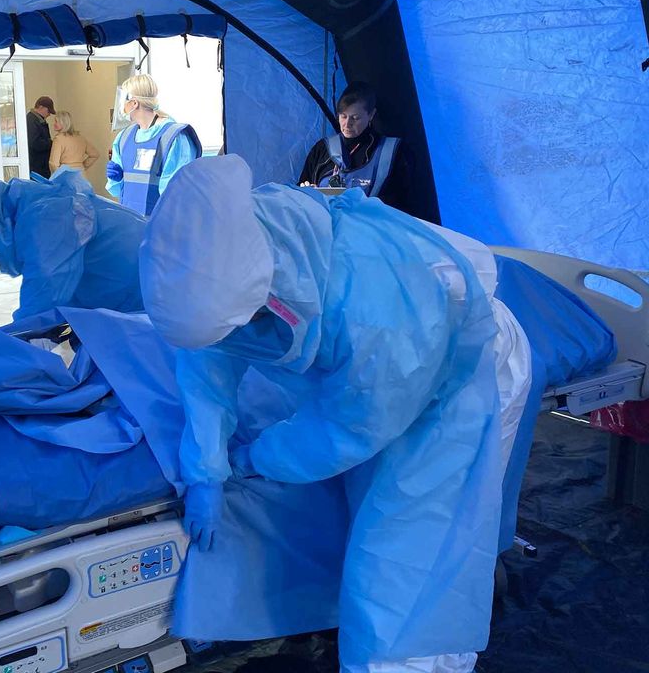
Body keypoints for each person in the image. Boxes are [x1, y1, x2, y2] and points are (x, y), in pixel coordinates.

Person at [140, 155, 508, 673]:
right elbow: (207, 358)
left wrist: (255, 457)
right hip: (386, 373)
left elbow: (349, 427)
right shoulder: (241, 245)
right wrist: (205, 470)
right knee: (379, 532)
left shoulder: (378, 317)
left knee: (401, 579)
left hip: (450, 379)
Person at [0, 166, 146, 320]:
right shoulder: (31, 211)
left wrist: (3, 348)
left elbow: (40, 305)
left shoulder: (46, 219)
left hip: (153, 292)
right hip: (141, 295)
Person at [299, 81, 438, 223]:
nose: (347, 124)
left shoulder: (394, 153)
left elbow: (405, 205)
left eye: (355, 118)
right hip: (324, 227)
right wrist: (310, 193)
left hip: (371, 230)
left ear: (371, 115)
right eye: (343, 116)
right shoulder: (322, 149)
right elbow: (300, 194)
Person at [106, 74, 201, 216]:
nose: (121, 107)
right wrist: (117, 178)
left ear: (134, 103)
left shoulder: (173, 137)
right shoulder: (124, 137)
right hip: (130, 220)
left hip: (162, 225)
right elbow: (115, 189)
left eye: (123, 100)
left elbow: (178, 195)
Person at [49, 111, 100, 179]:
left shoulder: (58, 139)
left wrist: (58, 177)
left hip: (66, 175)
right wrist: (83, 165)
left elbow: (53, 164)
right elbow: (95, 154)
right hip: (81, 175)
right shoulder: (80, 138)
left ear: (63, 123)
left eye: (56, 121)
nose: (54, 124)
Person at [26, 96, 55, 178]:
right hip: (37, 167)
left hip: (39, 166)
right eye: (48, 111)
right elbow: (34, 143)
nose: (49, 114)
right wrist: (51, 143)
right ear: (41, 107)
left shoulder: (36, 119)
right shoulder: (32, 120)